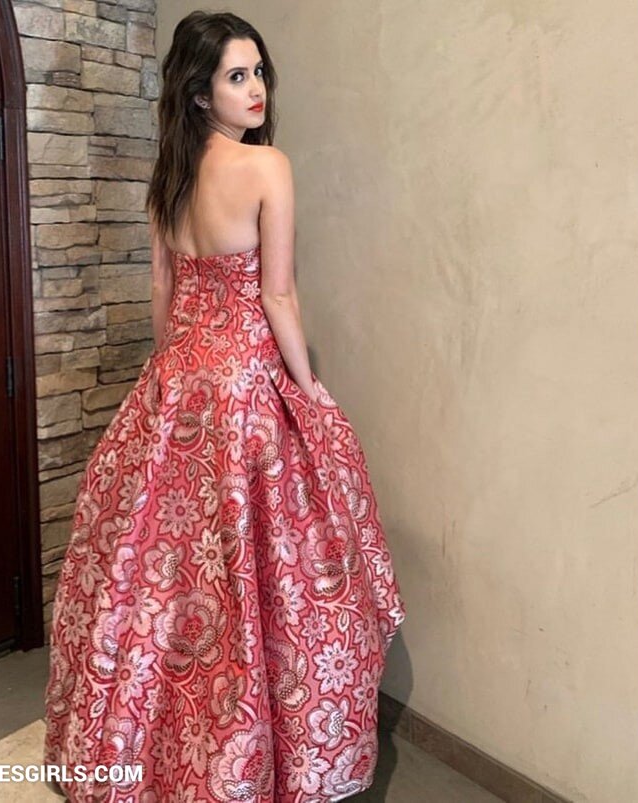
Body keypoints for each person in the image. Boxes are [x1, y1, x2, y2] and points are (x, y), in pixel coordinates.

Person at [43, 10, 406, 802]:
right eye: (237, 76)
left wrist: (170, 377)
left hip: (177, 384)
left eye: (259, 72)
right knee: (262, 579)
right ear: (201, 93)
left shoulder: (168, 176)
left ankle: (157, 754)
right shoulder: (267, 165)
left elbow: (162, 291)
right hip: (246, 389)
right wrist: (310, 390)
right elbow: (277, 295)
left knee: (166, 582)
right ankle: (268, 756)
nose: (255, 88)